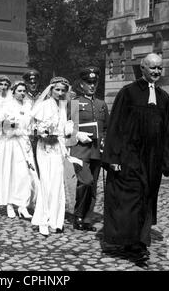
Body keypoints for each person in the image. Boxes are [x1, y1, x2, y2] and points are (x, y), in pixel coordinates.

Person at [102, 53, 169, 265]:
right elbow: (115, 126)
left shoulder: (163, 97)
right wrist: (113, 157)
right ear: (142, 68)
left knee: (147, 198)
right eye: (152, 68)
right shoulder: (128, 93)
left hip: (152, 159)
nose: (156, 72)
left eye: (159, 68)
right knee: (132, 198)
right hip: (130, 156)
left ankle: (137, 240)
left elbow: (168, 130)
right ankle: (136, 244)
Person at [30, 77, 74, 236]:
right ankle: (43, 220)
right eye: (57, 89)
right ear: (51, 89)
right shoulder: (43, 105)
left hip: (58, 148)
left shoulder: (63, 107)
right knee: (46, 183)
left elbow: (64, 128)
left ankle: (56, 220)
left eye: (63, 90)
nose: (60, 93)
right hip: (45, 148)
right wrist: (44, 134)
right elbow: (34, 127)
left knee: (57, 184)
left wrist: (67, 130)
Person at [69, 67, 109, 232]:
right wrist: (77, 135)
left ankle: (86, 219)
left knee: (92, 186)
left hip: (96, 151)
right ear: (81, 84)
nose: (92, 85)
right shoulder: (75, 103)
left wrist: (105, 141)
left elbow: (107, 127)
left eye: (94, 82)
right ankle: (78, 215)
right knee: (85, 182)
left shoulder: (101, 104)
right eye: (88, 82)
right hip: (80, 149)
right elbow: (67, 127)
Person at [0, 81, 36, 219]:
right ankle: (10, 204)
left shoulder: (28, 105)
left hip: (23, 142)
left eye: (24, 91)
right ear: (13, 91)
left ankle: (23, 205)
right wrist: (8, 122)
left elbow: (31, 123)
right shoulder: (7, 105)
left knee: (24, 174)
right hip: (10, 143)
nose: (22, 93)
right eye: (19, 91)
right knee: (10, 173)